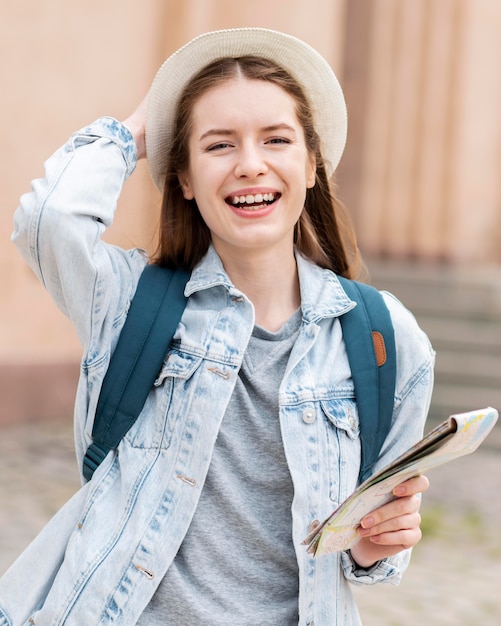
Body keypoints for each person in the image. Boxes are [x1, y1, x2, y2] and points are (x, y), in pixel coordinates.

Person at [2, 28, 434, 625]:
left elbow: (369, 557)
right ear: (183, 178)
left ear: (312, 165)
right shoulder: (128, 301)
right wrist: (139, 131)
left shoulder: (387, 339)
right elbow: (48, 221)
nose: (250, 165)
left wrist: (377, 543)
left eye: (276, 140)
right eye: (219, 145)